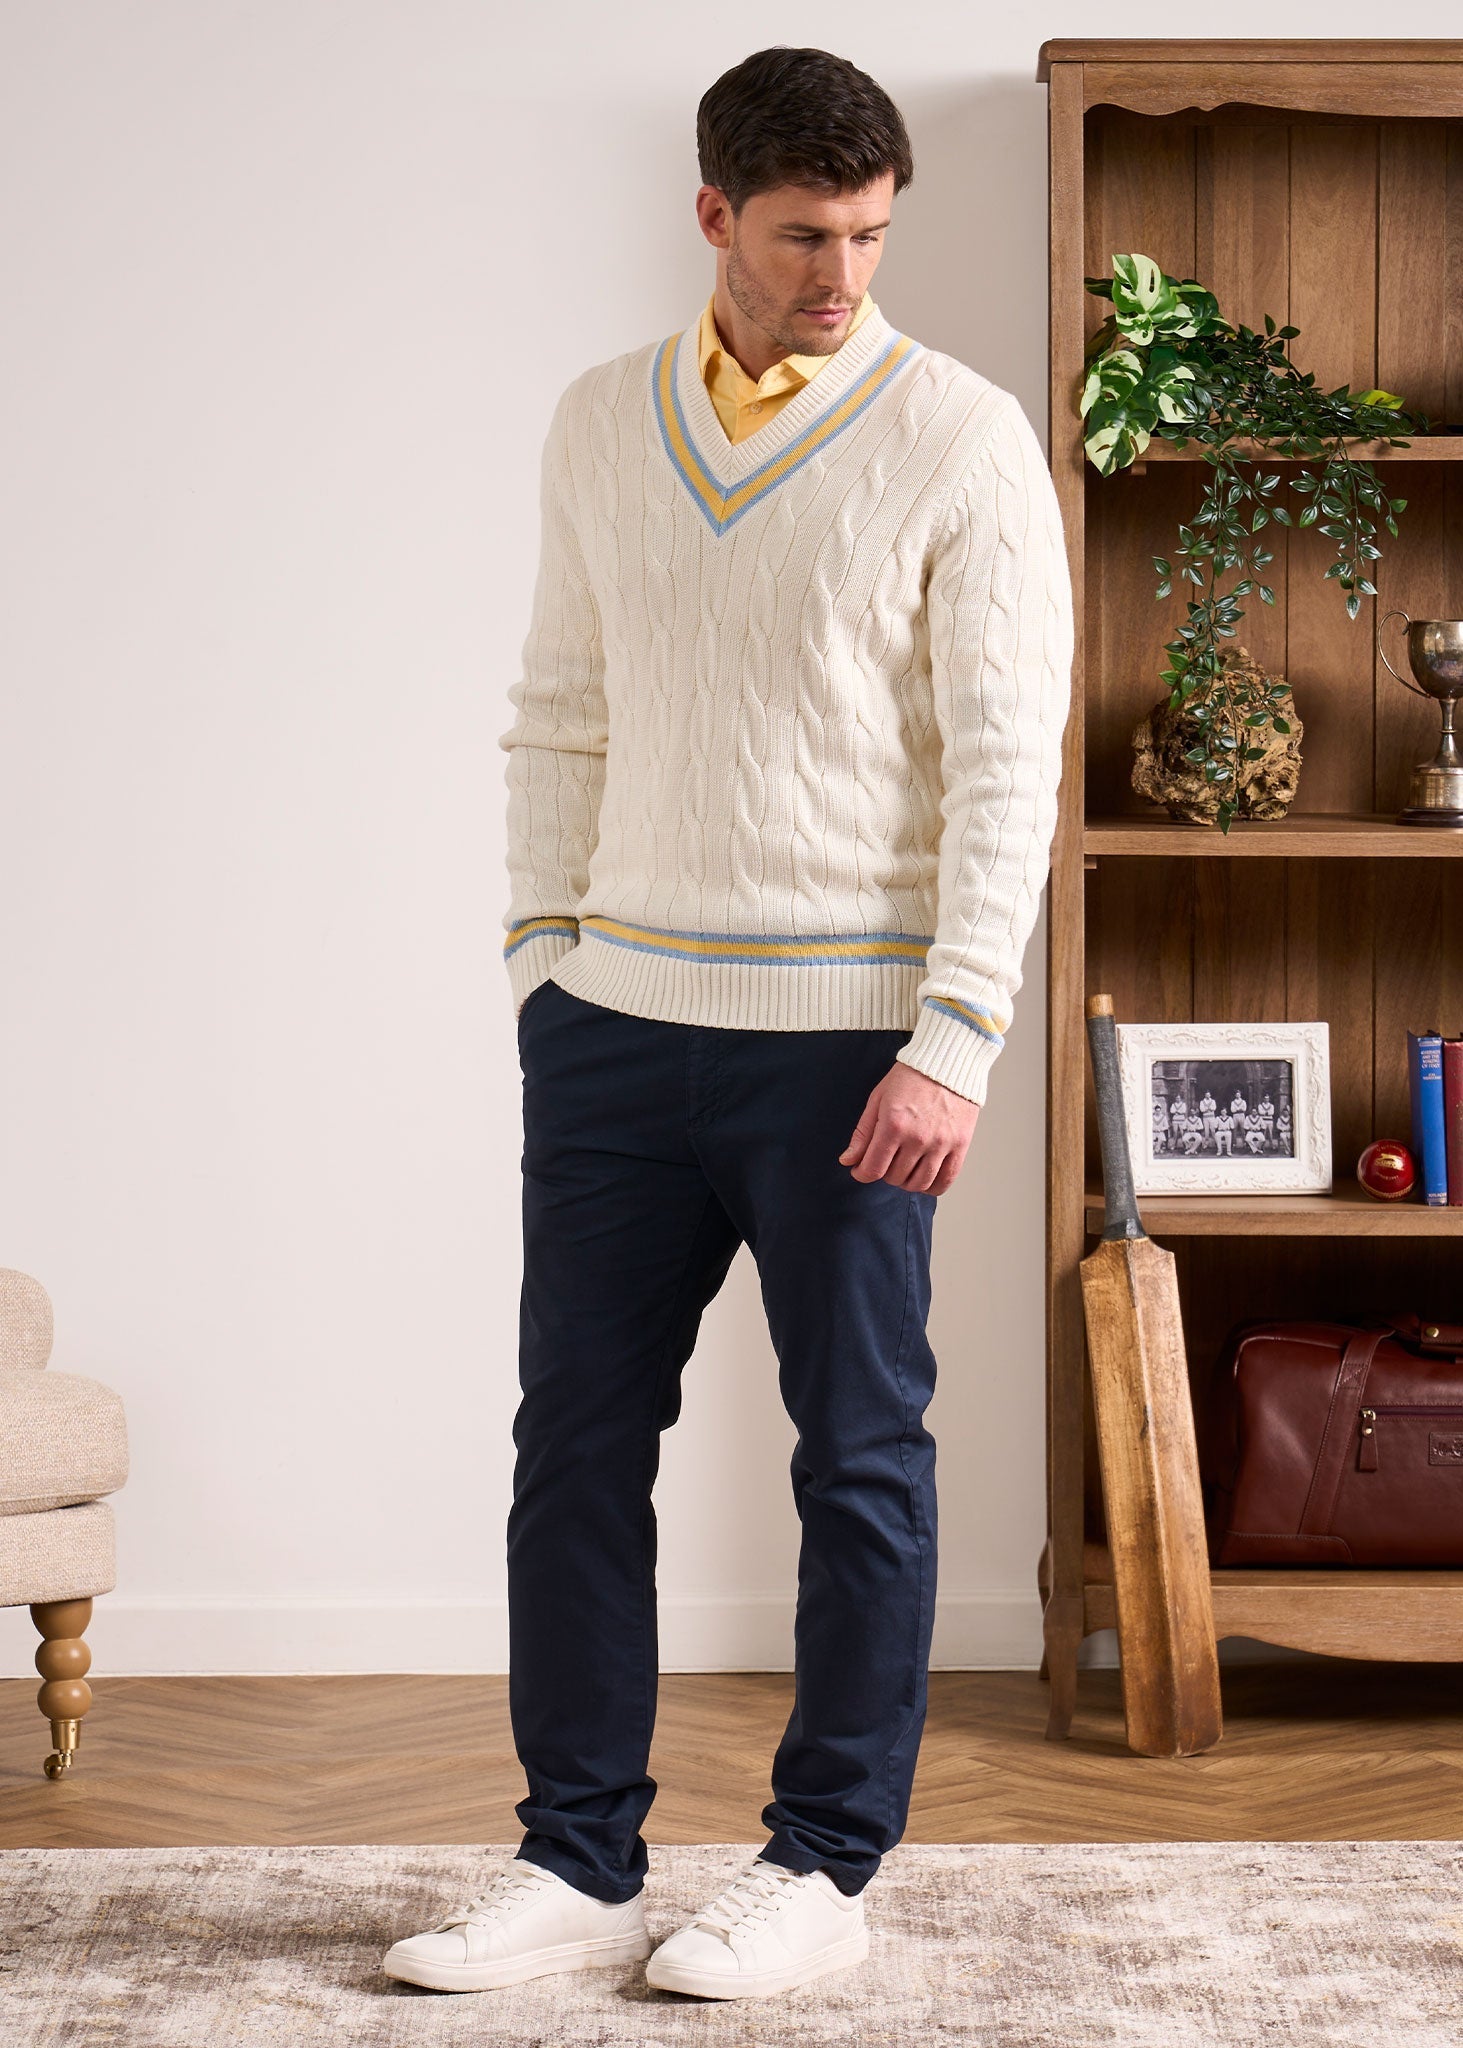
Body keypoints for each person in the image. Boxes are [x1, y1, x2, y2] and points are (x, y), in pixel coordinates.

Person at [383, 42, 1073, 2005]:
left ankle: (823, 1866)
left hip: (854, 1052)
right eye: (801, 237)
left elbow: (1006, 770)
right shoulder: (602, 421)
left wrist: (953, 1042)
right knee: (576, 1449)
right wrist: (544, 959)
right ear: (714, 216)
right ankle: (575, 1855)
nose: (841, 275)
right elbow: (560, 710)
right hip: (612, 1028)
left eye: (868, 235)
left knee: (859, 1458)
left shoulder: (961, 437)